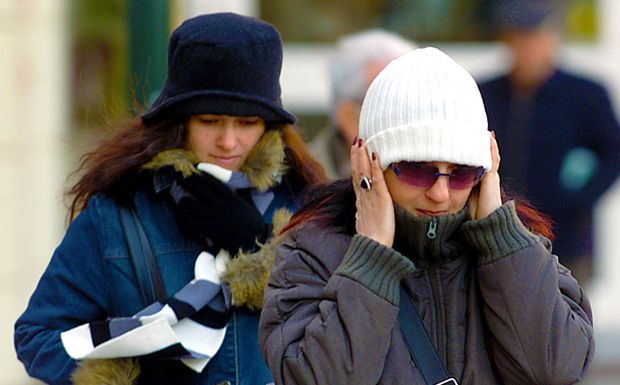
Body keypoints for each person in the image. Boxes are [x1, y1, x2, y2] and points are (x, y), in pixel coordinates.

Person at [14, 12, 326, 385]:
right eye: (210, 121)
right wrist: (133, 371)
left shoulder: (305, 205)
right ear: (181, 121)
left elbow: (341, 334)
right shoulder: (118, 212)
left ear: (269, 124)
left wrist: (261, 249)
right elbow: (37, 336)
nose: (228, 141)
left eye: (247, 123)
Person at [259, 47, 594, 385]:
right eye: (418, 171)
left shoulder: (517, 248)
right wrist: (372, 255)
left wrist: (500, 239)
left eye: (461, 173)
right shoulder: (313, 251)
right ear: (369, 163)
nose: (440, 194)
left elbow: (555, 369)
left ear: (487, 167)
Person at [479, 0, 620, 284]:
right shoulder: (486, 93)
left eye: (535, 37)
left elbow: (613, 153)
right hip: (496, 233)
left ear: (554, 39)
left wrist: (577, 201)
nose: (527, 48)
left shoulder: (584, 94)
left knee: (563, 319)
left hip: (564, 237)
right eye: (518, 38)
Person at [310, 29, 416, 179]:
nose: (415, 119)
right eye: (396, 106)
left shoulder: (442, 181)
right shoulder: (297, 192)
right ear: (349, 118)